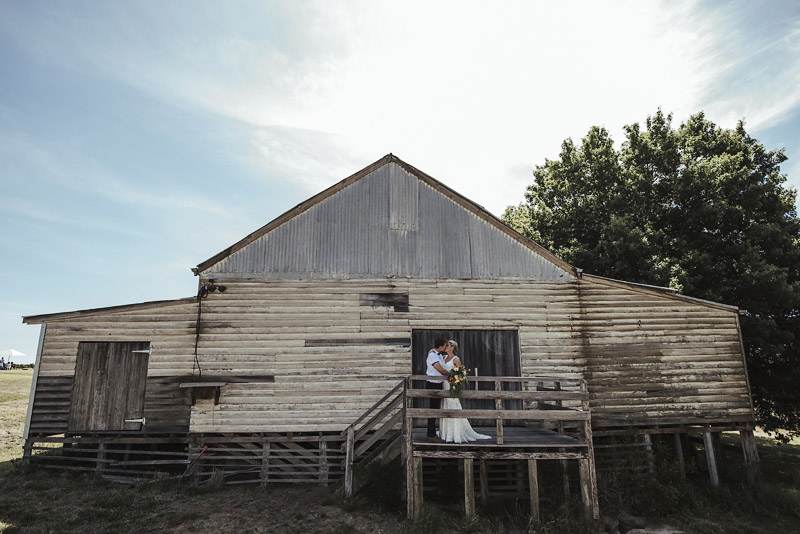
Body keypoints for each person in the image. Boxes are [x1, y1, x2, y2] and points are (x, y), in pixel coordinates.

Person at [438, 340, 491, 443]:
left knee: (453, 405)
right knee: (444, 405)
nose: (446, 346)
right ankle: (445, 432)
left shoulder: (455, 359)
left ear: (452, 347)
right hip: (443, 385)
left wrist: (455, 383)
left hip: (451, 385)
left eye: (448, 345)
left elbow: (461, 373)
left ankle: (455, 433)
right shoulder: (443, 357)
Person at [425, 337, 449, 442]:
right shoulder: (432, 356)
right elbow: (439, 369)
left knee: (436, 409)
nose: (445, 347)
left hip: (438, 384)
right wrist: (452, 374)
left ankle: (433, 432)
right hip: (432, 385)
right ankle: (431, 434)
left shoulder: (438, 355)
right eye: (444, 345)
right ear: (440, 346)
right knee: (433, 410)